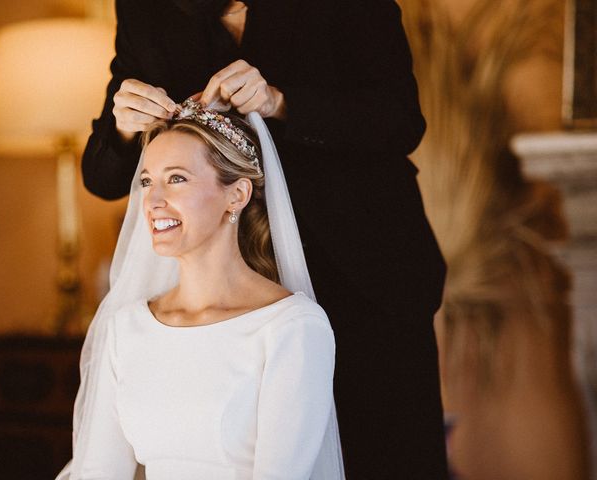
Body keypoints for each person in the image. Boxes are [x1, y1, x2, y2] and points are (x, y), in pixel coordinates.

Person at [82, 1, 449, 477]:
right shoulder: (145, 9)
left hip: (362, 274)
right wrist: (125, 127)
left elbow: (400, 119)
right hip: (228, 292)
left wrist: (280, 102)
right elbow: (101, 175)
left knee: (386, 455)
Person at [57, 100, 344, 479]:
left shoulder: (292, 329)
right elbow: (98, 471)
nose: (154, 201)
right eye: (146, 181)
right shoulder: (126, 328)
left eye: (177, 178)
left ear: (237, 195)